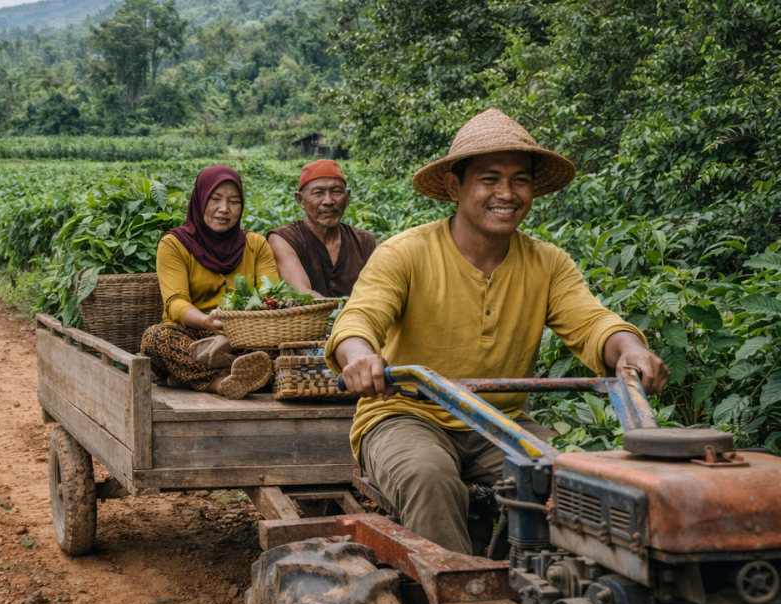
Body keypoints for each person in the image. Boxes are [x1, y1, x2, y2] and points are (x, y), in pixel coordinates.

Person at [325, 108, 669, 555]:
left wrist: (631, 350)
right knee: (428, 476)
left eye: (519, 180)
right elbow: (360, 319)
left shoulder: (548, 263)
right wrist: (360, 357)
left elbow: (592, 321)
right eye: (489, 179)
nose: (506, 193)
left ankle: (555, 595)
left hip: (502, 425)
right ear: (455, 186)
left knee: (574, 484)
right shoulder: (405, 253)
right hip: (406, 417)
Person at [139, 165, 278, 400]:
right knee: (155, 339)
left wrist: (234, 334)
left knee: (281, 346)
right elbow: (175, 302)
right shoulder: (174, 244)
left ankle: (183, 378)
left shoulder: (256, 244)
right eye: (216, 199)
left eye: (234, 201)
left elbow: (270, 298)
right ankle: (222, 382)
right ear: (200, 199)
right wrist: (206, 321)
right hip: (195, 337)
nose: (224, 209)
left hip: (249, 335)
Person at [268, 159, 378, 299]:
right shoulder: (284, 239)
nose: (328, 201)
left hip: (361, 320)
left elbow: (381, 290)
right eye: (318, 193)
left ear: (347, 197)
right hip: (309, 321)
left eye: (336, 192)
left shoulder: (366, 242)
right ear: (300, 200)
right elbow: (301, 292)